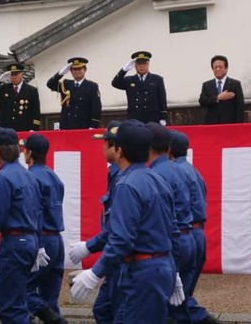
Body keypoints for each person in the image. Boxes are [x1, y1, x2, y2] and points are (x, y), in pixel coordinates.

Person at [70, 120, 183, 323]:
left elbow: (121, 239)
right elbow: (172, 231)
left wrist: (95, 273)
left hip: (142, 272)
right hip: (158, 266)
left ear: (119, 151)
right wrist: (172, 271)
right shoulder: (157, 179)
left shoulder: (126, 185)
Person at [0, 127, 43, 324]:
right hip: (29, 239)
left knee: (11, 306)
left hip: (14, 242)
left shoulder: (3, 177)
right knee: (6, 297)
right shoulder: (28, 175)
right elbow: (38, 210)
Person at [68, 121, 123, 323]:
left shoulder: (122, 180)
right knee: (103, 310)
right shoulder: (116, 175)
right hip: (117, 258)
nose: (101, 147)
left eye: (105, 142)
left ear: (116, 148)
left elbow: (119, 231)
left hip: (122, 261)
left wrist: (91, 253)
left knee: (117, 313)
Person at [145, 123, 200, 324]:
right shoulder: (183, 170)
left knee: (165, 305)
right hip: (189, 235)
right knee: (179, 302)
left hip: (172, 240)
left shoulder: (156, 174)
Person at [168, 130, 218, 324]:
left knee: (176, 299)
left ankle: (204, 319)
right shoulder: (192, 170)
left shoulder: (174, 172)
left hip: (183, 233)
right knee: (182, 295)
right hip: (197, 233)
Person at [22, 134, 68, 324]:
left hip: (41, 239)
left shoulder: (31, 177)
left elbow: (35, 213)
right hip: (57, 239)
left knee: (21, 290)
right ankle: (54, 317)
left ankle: (52, 317)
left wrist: (38, 245)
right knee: (50, 296)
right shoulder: (53, 176)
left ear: (29, 152)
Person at [111, 51, 168, 124]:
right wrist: (124, 70)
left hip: (152, 119)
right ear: (135, 65)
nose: (141, 66)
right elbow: (115, 83)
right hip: (135, 119)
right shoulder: (129, 80)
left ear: (148, 64)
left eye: (144, 63)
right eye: (139, 64)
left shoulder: (157, 79)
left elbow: (162, 100)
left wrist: (163, 117)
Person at [46, 57, 102, 129]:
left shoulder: (92, 86)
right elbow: (50, 84)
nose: (77, 72)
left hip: (84, 126)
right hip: (67, 126)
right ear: (71, 71)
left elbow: (96, 108)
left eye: (79, 69)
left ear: (85, 70)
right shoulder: (66, 84)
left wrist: (93, 126)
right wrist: (60, 73)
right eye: (74, 70)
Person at [0, 63, 42, 132]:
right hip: (4, 129)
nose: (14, 77)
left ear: (21, 74)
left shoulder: (31, 90)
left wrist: (34, 129)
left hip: (23, 128)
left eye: (16, 74)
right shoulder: (4, 89)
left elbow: (36, 112)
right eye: (12, 74)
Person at [199, 55, 245, 124]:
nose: (217, 69)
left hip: (230, 124)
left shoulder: (235, 84)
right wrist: (218, 98)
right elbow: (202, 102)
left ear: (226, 68)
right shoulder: (207, 85)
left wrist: (238, 125)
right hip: (212, 124)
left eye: (220, 67)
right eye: (215, 67)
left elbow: (240, 106)